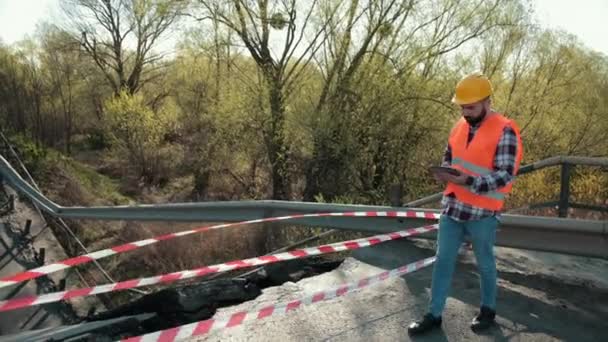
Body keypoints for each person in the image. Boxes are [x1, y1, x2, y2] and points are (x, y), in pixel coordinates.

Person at [408, 73, 523, 334]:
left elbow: (506, 173)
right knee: (442, 260)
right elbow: (450, 158)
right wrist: (444, 172)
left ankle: (488, 311)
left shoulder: (505, 130)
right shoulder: (459, 126)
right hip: (453, 208)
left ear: (486, 102)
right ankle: (433, 314)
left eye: (470, 107)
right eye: (462, 107)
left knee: (485, 263)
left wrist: (470, 181)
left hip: (483, 213)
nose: (465, 112)